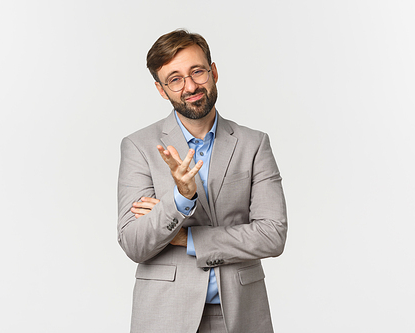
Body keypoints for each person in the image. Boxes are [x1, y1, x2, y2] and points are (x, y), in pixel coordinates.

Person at [117, 29, 288, 333]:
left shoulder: (254, 144)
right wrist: (181, 199)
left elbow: (272, 235)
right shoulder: (139, 146)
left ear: (214, 72)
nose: (190, 86)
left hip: (241, 313)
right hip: (165, 314)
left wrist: (188, 239)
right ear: (161, 89)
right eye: (175, 78)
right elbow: (134, 244)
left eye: (197, 72)